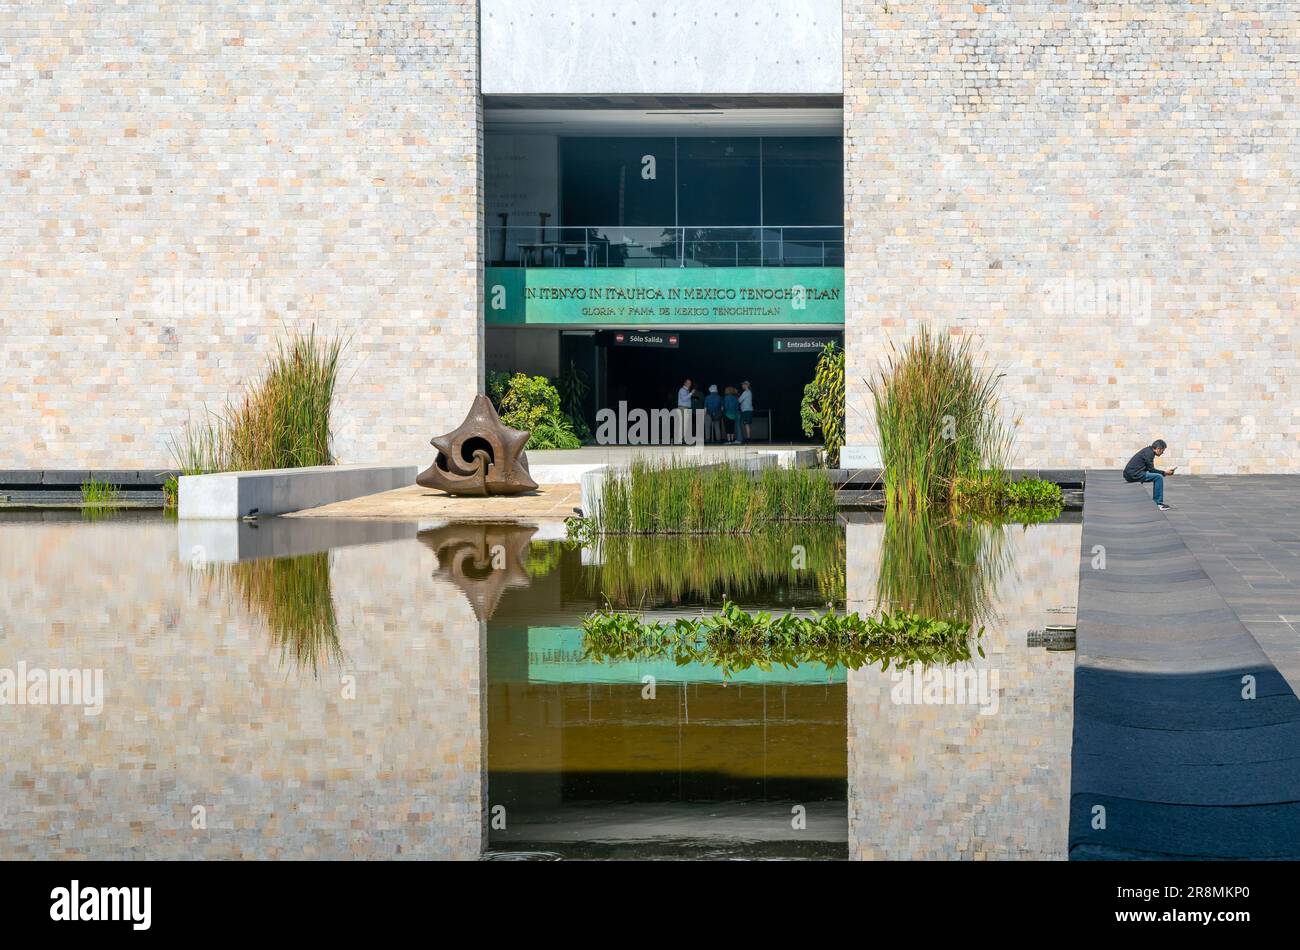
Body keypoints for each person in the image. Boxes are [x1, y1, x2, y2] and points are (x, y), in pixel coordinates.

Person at [1123, 439, 1178, 510]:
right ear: (1158, 449)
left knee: (1155, 475)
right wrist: (1165, 473)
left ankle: (1157, 502)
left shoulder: (1148, 451)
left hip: (1132, 474)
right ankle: (1158, 503)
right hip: (1133, 475)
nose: (1162, 453)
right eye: (1162, 451)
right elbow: (1152, 470)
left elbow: (1150, 469)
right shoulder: (1149, 454)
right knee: (1158, 477)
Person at [738, 380, 754, 444]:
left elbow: (739, 400)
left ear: (746, 385)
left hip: (746, 410)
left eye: (743, 385)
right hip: (748, 410)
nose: (742, 386)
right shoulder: (749, 392)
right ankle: (748, 438)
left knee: (746, 424)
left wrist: (738, 396)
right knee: (747, 424)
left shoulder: (746, 392)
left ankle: (748, 438)